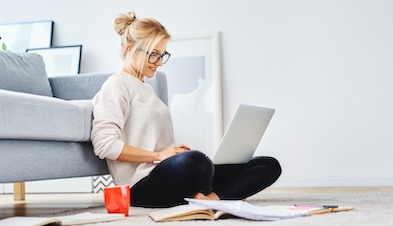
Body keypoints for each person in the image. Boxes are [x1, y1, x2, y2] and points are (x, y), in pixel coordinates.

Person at [91, 11, 281, 208]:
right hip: (140, 186)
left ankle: (210, 199)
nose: (158, 62)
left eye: (162, 54)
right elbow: (104, 144)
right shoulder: (116, 85)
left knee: (268, 165)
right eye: (154, 55)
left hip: (168, 174)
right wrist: (159, 156)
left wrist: (172, 154)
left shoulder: (146, 88)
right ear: (131, 50)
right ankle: (208, 190)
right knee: (197, 162)